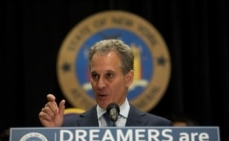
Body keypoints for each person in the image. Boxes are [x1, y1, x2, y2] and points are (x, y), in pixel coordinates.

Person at [39, 39, 172, 127]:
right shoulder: (68, 127)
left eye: (109, 75)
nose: (100, 85)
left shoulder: (158, 128)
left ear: (129, 78)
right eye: (95, 76)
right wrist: (54, 136)